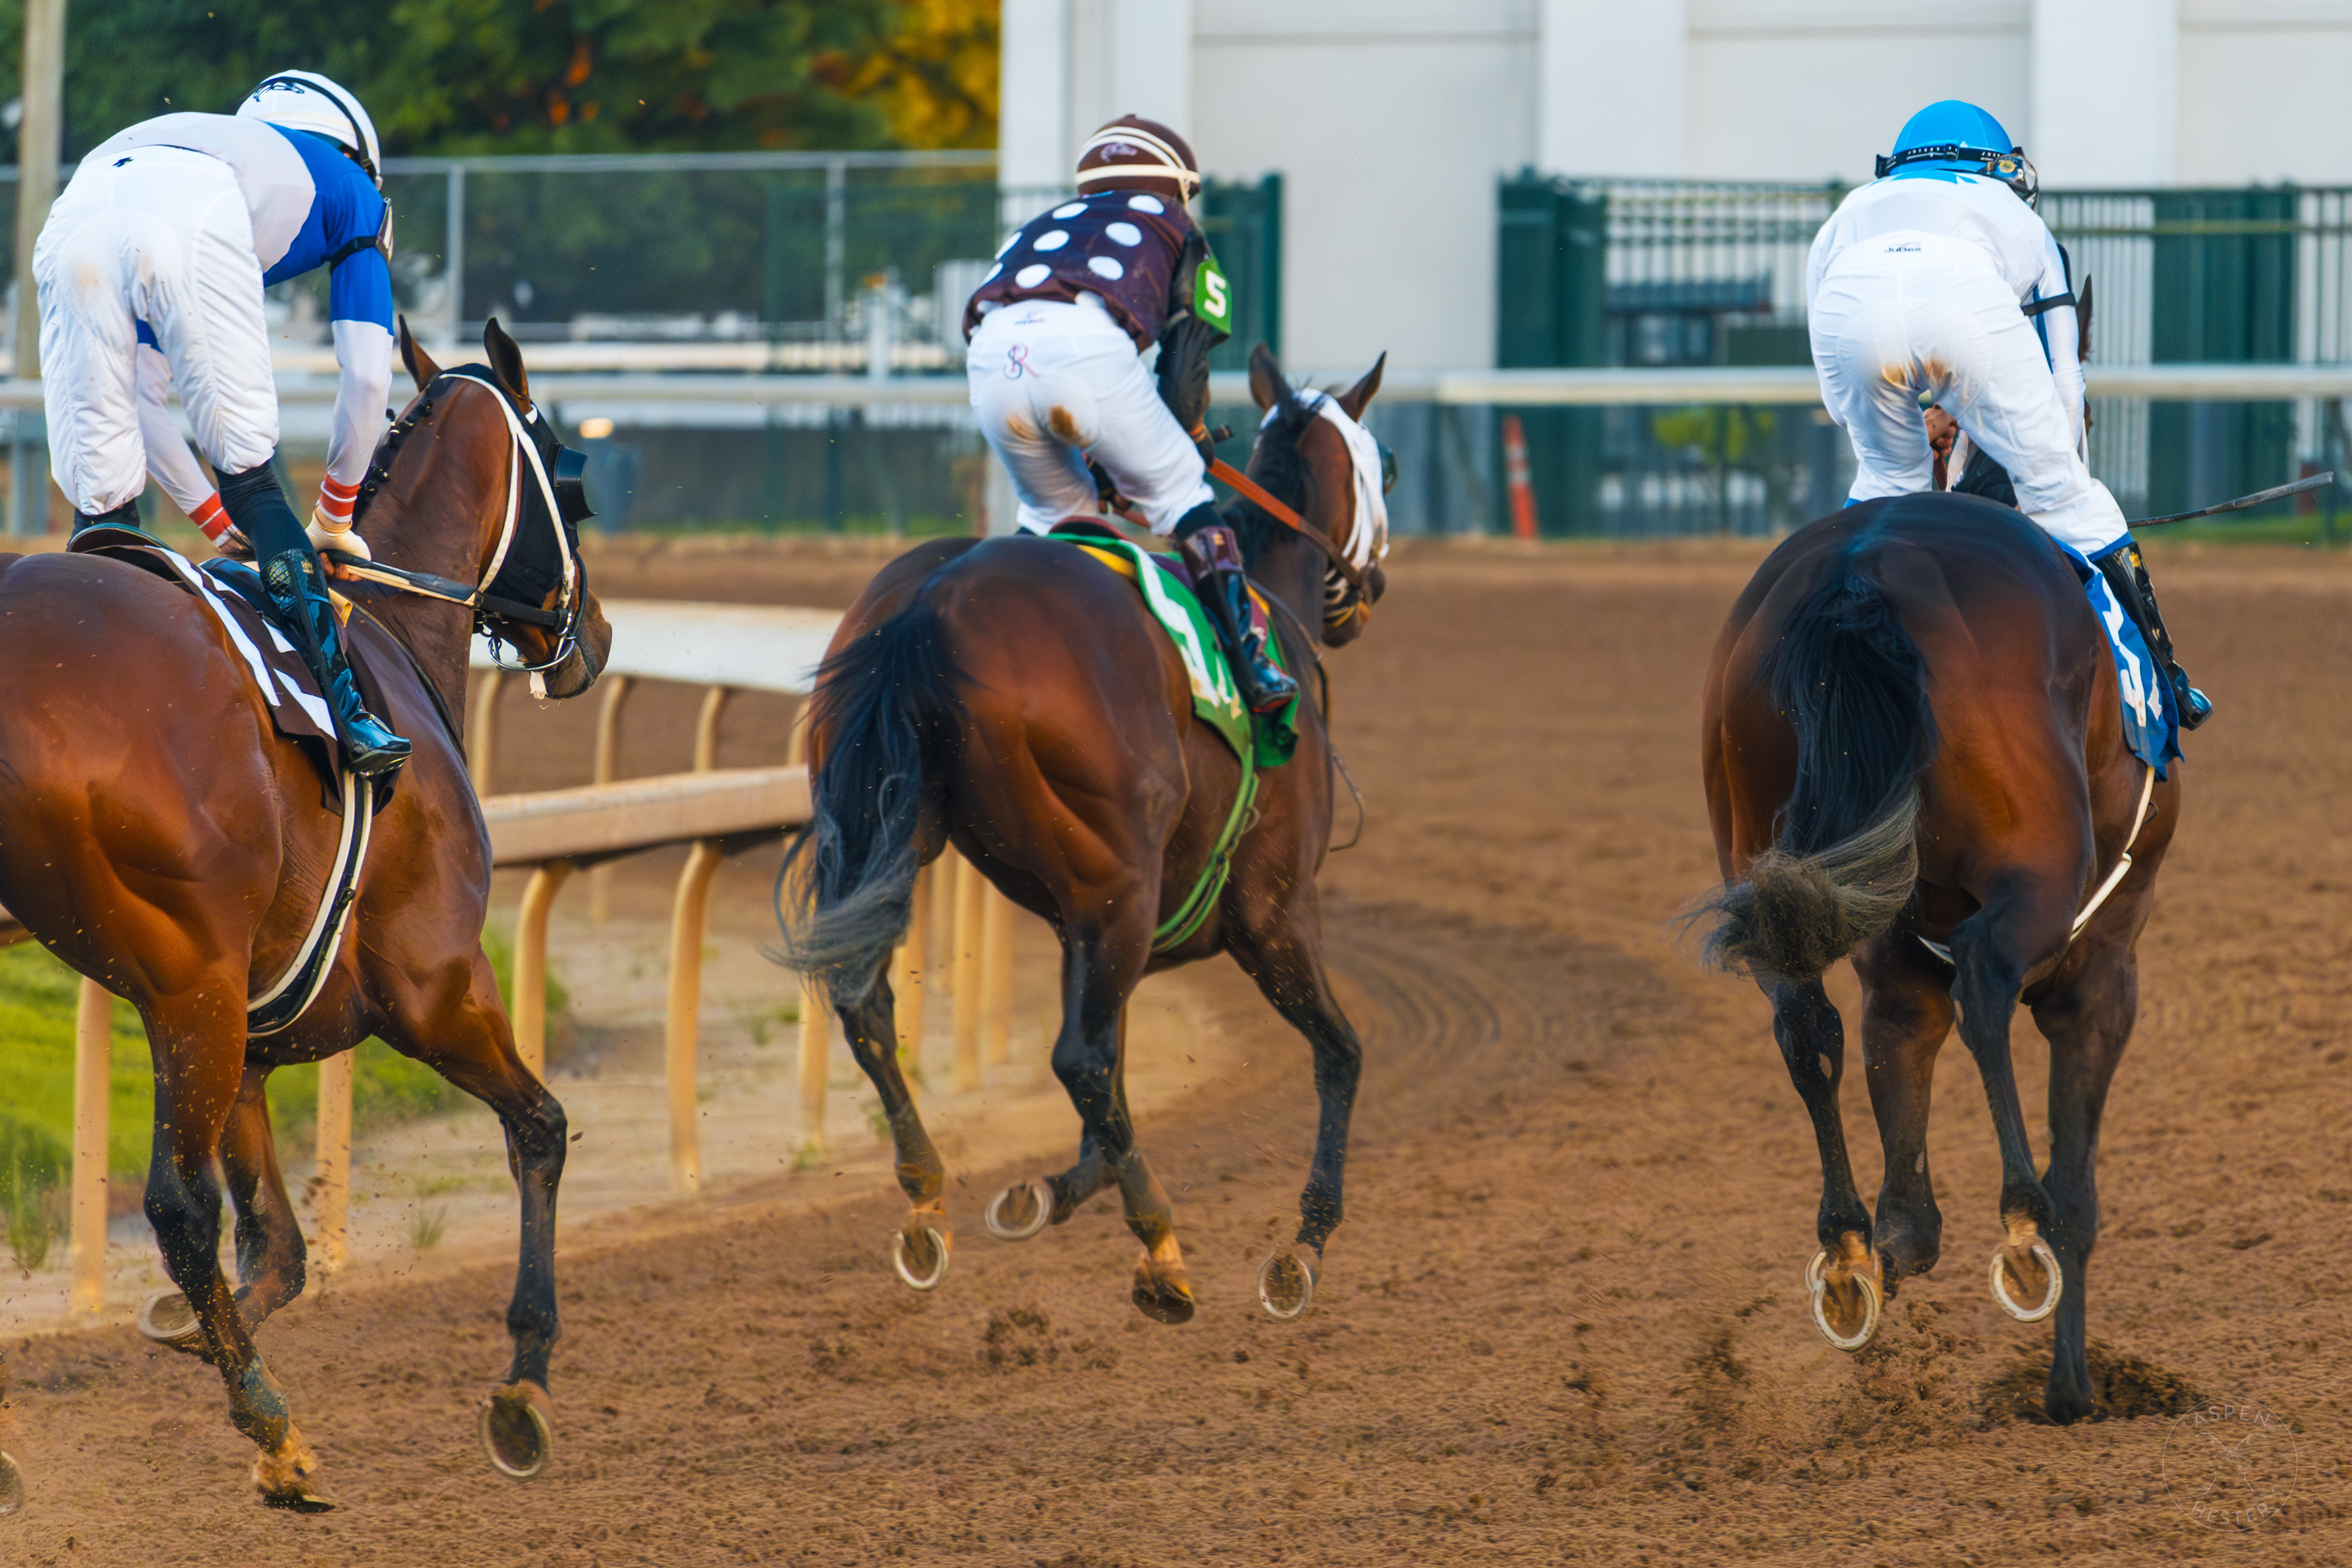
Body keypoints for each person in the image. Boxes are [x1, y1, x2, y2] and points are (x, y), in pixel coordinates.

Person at [34, 70, 410, 777]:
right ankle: (350, 717)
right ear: (355, 151)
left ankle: (77, 698)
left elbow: (140, 402)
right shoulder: (350, 184)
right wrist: (334, 512)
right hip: (193, 212)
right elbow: (366, 374)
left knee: (103, 503)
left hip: (75, 208)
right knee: (255, 479)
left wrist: (209, 518)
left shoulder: (213, 144)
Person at [1806, 99, 2210, 729]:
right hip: (1967, 313)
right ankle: (2165, 680)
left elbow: (1838, 400)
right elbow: (2065, 385)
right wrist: (2060, 478)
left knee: (1886, 490)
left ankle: (1822, 666)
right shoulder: (2015, 219)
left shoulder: (1849, 213)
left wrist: (1915, 432)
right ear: (2004, 171)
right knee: (2071, 500)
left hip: (1848, 315)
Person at [963, 114, 1296, 715]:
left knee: (1052, 515)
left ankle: (1002, 646)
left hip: (990, 362)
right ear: (1177, 186)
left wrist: (1113, 465)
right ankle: (1253, 666)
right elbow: (1185, 361)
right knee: (1181, 495)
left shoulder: (1040, 225)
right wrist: (1187, 435)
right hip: (1084, 355)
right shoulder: (1177, 226)